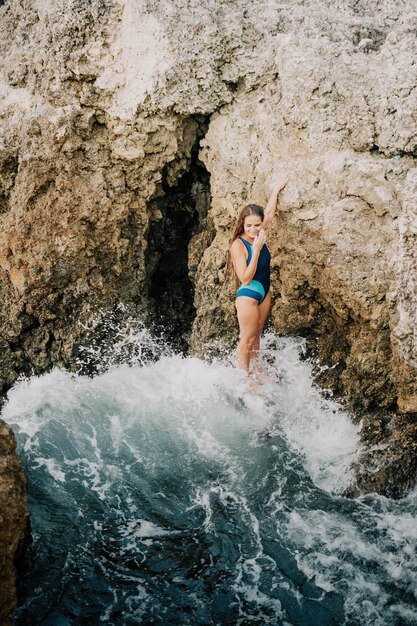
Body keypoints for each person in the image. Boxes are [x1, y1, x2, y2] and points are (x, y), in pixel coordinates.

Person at [229, 175, 288, 377]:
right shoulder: (239, 245)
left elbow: (269, 212)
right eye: (249, 226)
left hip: (264, 291)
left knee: (257, 336)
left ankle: (255, 369)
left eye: (257, 225)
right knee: (246, 339)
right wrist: (255, 250)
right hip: (248, 294)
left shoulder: (260, 230)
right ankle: (244, 379)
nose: (253, 230)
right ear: (242, 225)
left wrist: (276, 190)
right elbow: (244, 277)